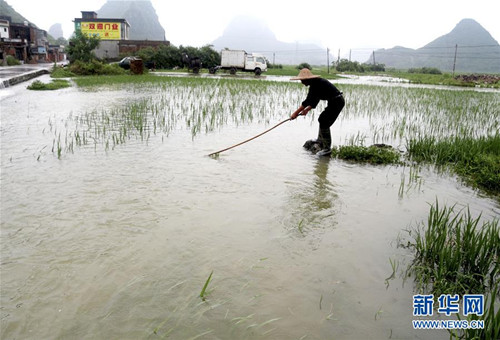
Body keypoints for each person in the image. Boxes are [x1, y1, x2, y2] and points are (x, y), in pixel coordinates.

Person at [290, 68, 345, 157]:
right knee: (322, 119)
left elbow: (307, 101)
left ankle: (327, 149)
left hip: (337, 102)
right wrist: (307, 110)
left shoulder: (317, 84)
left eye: (302, 80)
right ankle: (320, 140)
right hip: (333, 101)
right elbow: (315, 100)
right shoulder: (315, 84)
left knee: (324, 122)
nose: (302, 82)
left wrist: (295, 113)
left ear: (307, 79)